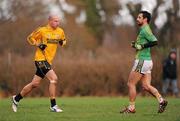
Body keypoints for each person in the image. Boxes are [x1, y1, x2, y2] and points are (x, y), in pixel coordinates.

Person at [11, 14, 67, 112]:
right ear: (49, 21)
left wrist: (62, 42)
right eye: (55, 21)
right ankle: (53, 106)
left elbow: (64, 40)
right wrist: (38, 44)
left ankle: (16, 99)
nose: (57, 23)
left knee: (34, 84)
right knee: (54, 79)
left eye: (58, 21)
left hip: (48, 61)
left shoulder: (60, 31)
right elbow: (30, 38)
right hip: (40, 59)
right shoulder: (42, 30)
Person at [120, 11, 168, 114]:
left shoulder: (145, 30)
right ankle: (161, 100)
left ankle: (131, 107)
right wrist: (136, 45)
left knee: (131, 84)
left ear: (145, 19)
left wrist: (141, 46)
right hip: (147, 61)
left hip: (142, 60)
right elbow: (144, 44)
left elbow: (155, 41)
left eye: (139, 17)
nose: (137, 19)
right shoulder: (143, 30)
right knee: (146, 86)